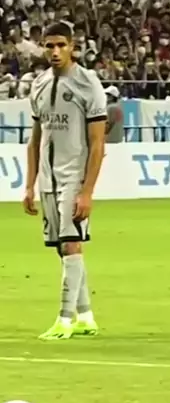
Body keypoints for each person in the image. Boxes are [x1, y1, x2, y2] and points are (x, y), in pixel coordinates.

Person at [23, 21, 107, 340]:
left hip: (74, 175)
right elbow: (35, 139)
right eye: (49, 46)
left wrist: (87, 191)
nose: (55, 51)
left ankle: (64, 319)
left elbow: (97, 143)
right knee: (63, 248)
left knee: (71, 243)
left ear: (72, 46)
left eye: (61, 45)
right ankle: (85, 316)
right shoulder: (39, 84)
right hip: (48, 178)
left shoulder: (88, 83)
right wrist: (29, 185)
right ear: (43, 48)